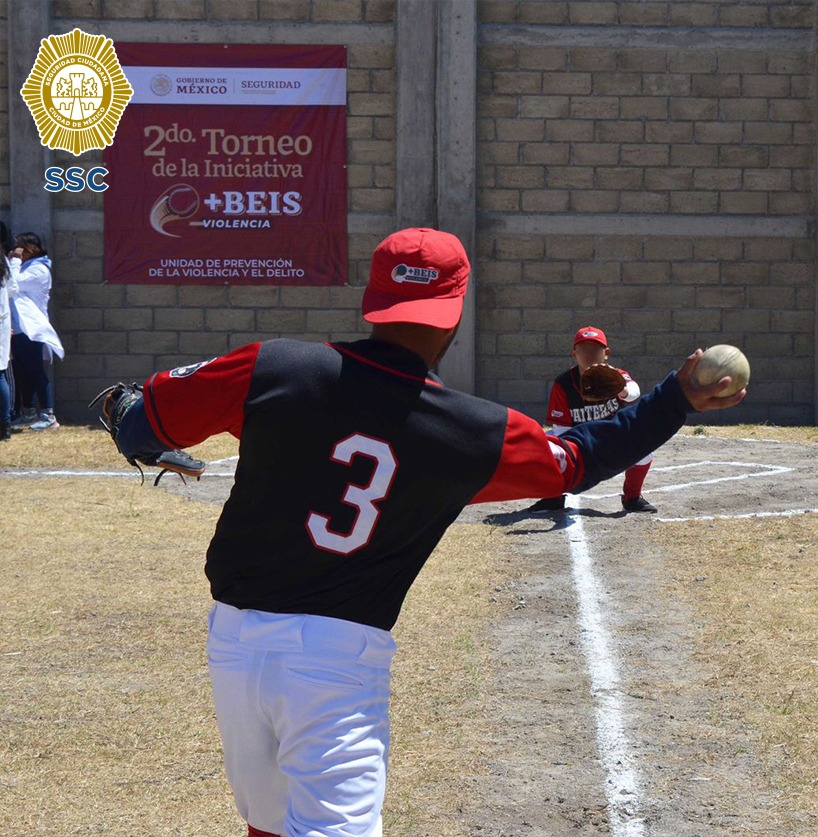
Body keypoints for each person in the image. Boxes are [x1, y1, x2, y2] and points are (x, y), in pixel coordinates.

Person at [97, 228, 744, 837]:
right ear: (456, 312)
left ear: (374, 300)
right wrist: (674, 397)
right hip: (335, 661)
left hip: (234, 645)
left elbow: (145, 424)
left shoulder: (274, 366)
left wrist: (123, 411)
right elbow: (576, 460)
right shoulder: (466, 429)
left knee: (266, 827)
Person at [527, 326, 658, 514]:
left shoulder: (615, 375)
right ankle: (553, 497)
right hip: (577, 439)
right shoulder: (563, 384)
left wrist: (621, 390)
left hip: (612, 434)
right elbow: (561, 429)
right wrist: (581, 454)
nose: (589, 354)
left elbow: (634, 393)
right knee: (544, 447)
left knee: (644, 450)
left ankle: (632, 498)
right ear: (574, 354)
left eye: (595, 349)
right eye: (583, 349)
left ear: (606, 354)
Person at [8, 232, 64, 431]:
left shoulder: (39, 270)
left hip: (32, 330)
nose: (17, 251)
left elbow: (14, 285)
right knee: (23, 373)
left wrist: (13, 262)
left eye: (20, 247)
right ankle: (29, 413)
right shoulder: (26, 267)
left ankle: (49, 415)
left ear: (31, 248)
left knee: (36, 373)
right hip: (20, 330)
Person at [0, 249, 16, 440]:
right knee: (1, 373)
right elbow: (13, 289)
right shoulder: (3, 260)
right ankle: (4, 425)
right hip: (3, 322)